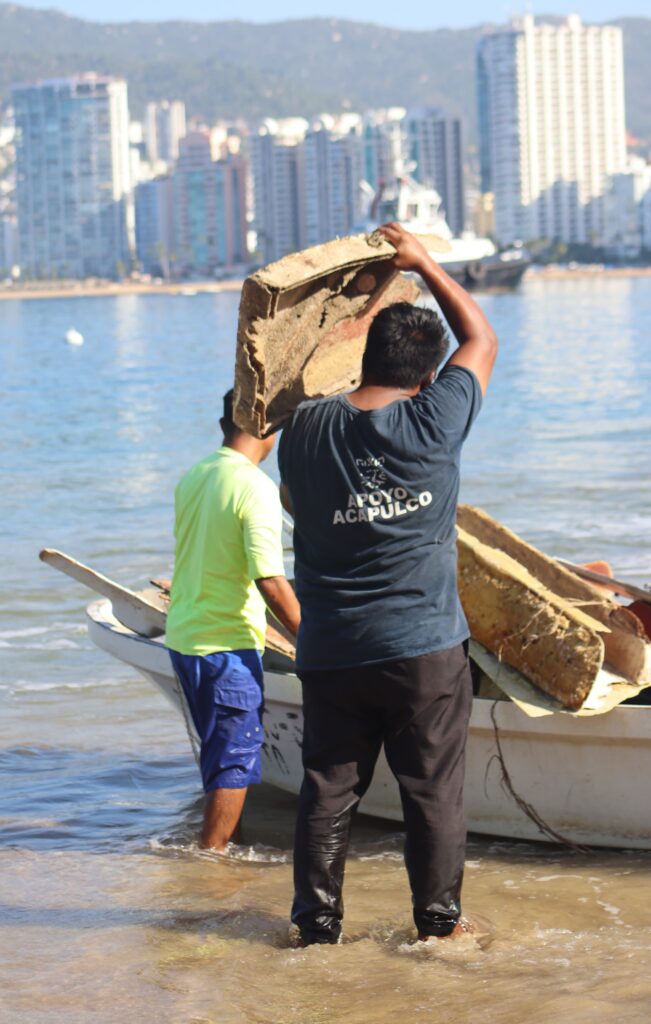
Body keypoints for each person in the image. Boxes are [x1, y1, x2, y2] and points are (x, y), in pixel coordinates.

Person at [278, 223, 497, 945]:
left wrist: (363, 306)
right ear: (428, 378)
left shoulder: (305, 432)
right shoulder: (435, 420)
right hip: (423, 650)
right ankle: (436, 929)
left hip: (332, 648)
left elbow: (301, 379)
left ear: (360, 356)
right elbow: (481, 338)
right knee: (431, 793)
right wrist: (421, 262)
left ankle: (314, 929)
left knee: (328, 790)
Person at [166, 390, 301, 851]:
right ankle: (211, 871)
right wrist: (314, 638)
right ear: (268, 428)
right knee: (235, 761)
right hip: (226, 648)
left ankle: (231, 848)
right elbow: (271, 581)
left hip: (186, 640)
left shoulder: (196, 473)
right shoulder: (254, 485)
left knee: (221, 758)